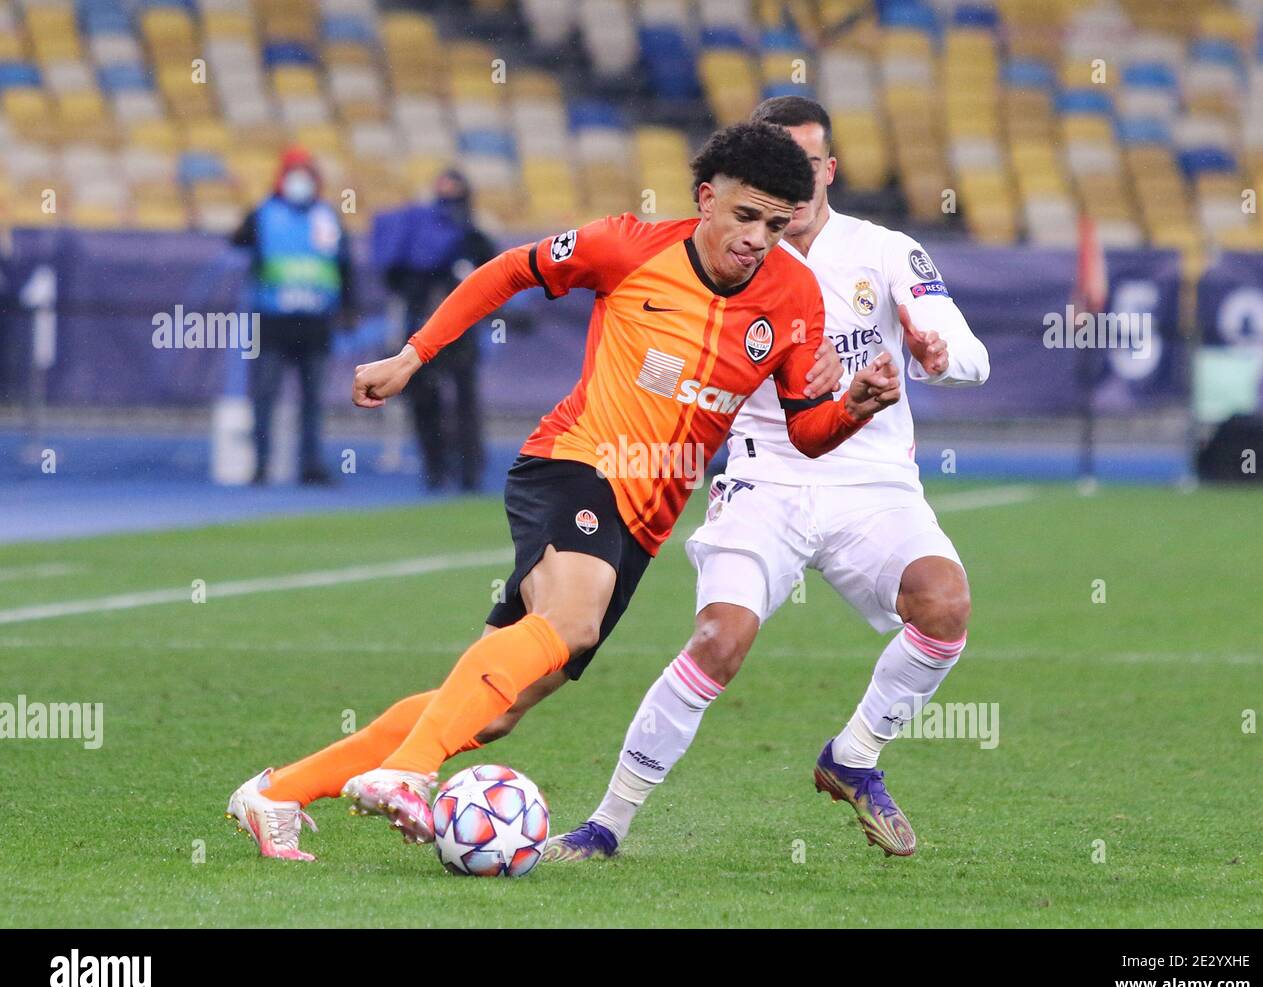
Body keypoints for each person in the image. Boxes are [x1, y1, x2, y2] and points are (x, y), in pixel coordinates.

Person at [225, 120, 901, 860]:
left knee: (493, 711)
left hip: (644, 523)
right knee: (572, 621)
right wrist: (414, 355)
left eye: (776, 224)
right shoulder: (629, 247)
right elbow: (506, 270)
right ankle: (406, 771)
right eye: (745, 216)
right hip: (576, 462)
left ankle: (275, 793)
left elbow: (807, 429)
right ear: (708, 198)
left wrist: (854, 409)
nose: (758, 238)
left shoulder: (795, 294)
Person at [545, 96, 990, 862]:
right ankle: (608, 822)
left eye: (808, 165)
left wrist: (938, 356)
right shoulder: (725, 254)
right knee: (719, 640)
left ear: (829, 170)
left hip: (873, 485)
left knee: (944, 605)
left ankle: (851, 756)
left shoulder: (883, 251)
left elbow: (970, 353)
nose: (795, 180)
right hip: (764, 479)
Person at [231, 146, 354, 486]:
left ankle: (311, 465)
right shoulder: (263, 215)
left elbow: (344, 267)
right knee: (264, 397)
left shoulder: (328, 217)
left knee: (313, 401)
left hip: (316, 324)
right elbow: (237, 240)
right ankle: (261, 465)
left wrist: (348, 307)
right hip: (273, 323)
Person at [374, 169, 494, 491]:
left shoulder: (472, 236)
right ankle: (440, 467)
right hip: (426, 327)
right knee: (430, 397)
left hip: (451, 329)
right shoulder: (435, 233)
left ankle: (463, 470)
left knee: (459, 399)